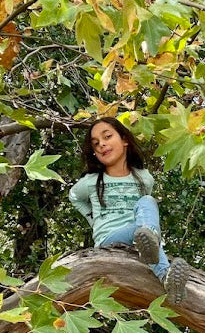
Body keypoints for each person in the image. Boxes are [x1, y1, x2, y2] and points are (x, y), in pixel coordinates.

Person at [69, 117, 188, 305]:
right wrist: (93, 220)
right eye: (96, 144)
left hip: (138, 236)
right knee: (142, 228)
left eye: (107, 137)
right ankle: (152, 246)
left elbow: (145, 211)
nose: (102, 145)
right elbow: (74, 197)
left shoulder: (144, 178)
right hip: (109, 239)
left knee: (147, 202)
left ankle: (167, 277)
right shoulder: (91, 181)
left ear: (125, 140)